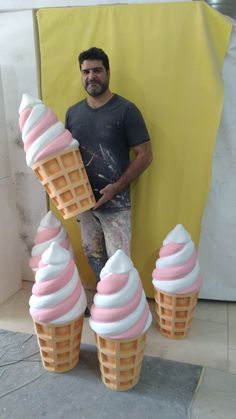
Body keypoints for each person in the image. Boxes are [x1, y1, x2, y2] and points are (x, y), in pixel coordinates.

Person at [65, 47, 152, 294]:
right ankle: (106, 304)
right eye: (86, 71)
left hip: (116, 204)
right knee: (94, 257)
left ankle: (123, 310)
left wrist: (115, 188)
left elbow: (145, 156)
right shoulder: (73, 113)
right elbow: (66, 157)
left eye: (97, 70)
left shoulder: (126, 110)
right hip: (84, 204)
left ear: (108, 73)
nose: (91, 76)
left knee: (119, 265)